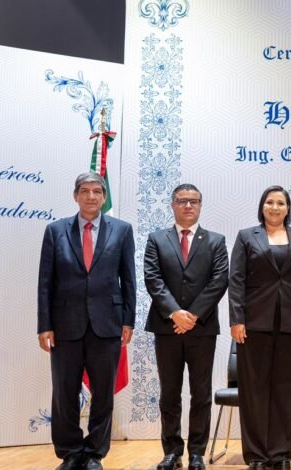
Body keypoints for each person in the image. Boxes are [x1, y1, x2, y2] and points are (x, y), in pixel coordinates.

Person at [37, 172, 136, 470]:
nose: (91, 196)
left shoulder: (122, 230)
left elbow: (128, 279)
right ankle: (70, 452)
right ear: (75, 195)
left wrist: (128, 320)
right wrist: (44, 325)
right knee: (64, 392)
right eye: (85, 191)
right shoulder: (55, 231)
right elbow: (45, 282)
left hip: (107, 324)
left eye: (97, 191)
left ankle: (94, 453)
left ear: (104, 197)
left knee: (103, 393)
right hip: (65, 326)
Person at [228, 186, 291, 470]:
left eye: (280, 203)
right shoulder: (246, 236)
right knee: (254, 389)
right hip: (254, 323)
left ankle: (281, 454)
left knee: (287, 390)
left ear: (288, 208)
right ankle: (256, 455)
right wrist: (237, 319)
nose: (275, 207)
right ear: (262, 206)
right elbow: (236, 280)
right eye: (270, 202)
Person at [144, 184, 229, 470]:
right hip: (166, 327)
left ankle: (196, 452)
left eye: (194, 201)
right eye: (182, 200)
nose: (188, 205)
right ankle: (172, 452)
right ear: (173, 205)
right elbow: (153, 279)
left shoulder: (216, 241)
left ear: (200, 205)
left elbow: (219, 281)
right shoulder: (157, 239)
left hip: (201, 328)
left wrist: (191, 315)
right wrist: (175, 313)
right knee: (169, 393)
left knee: (201, 393)